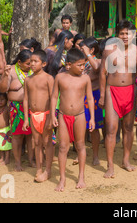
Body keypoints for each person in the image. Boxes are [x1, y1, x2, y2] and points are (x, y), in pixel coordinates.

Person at [50, 48, 95, 191]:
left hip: (80, 116)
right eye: (80, 65)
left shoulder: (85, 78)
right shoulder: (60, 77)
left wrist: (92, 118)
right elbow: (54, 97)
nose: (83, 67)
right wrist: (52, 115)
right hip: (63, 116)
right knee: (63, 147)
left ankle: (81, 177)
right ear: (69, 64)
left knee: (80, 145)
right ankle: (62, 178)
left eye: (84, 64)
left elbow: (90, 98)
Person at [99, 20, 137, 178]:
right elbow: (103, 73)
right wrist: (102, 95)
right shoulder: (109, 50)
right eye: (121, 33)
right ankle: (110, 166)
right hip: (112, 91)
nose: (124, 36)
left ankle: (126, 160)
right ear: (117, 35)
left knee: (129, 128)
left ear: (133, 35)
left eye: (127, 33)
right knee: (111, 129)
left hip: (130, 91)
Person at [22, 50, 55, 182]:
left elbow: (53, 98)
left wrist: (52, 116)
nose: (32, 64)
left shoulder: (48, 78)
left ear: (44, 63)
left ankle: (48, 170)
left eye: (36, 61)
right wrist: (26, 118)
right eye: (31, 62)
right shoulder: (27, 80)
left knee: (47, 143)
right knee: (37, 143)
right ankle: (39, 169)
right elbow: (25, 99)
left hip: (46, 114)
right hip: (33, 115)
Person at [0, 49, 33, 171]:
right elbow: (2, 90)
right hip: (16, 108)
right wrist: (4, 76)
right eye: (28, 63)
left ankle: (30, 160)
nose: (30, 65)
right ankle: (17, 162)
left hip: (31, 107)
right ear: (19, 62)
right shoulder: (11, 71)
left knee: (30, 136)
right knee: (17, 136)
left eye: (32, 63)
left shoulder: (34, 70)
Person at [79, 37, 103, 166]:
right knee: (80, 127)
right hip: (80, 97)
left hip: (94, 96)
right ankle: (80, 154)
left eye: (82, 48)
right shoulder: (80, 62)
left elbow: (97, 69)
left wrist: (88, 54)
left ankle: (95, 155)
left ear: (91, 49)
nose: (80, 50)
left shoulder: (97, 61)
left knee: (95, 129)